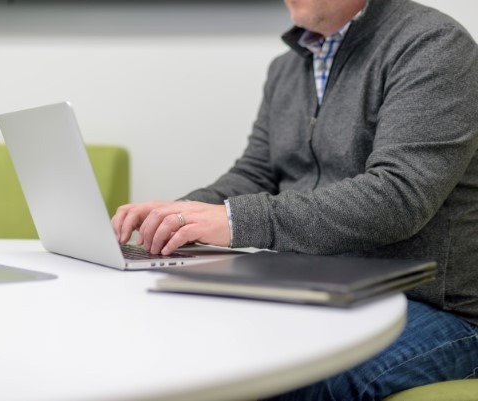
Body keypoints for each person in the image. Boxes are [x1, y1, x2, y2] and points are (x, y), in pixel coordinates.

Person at [111, 0, 478, 399]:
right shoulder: (286, 68)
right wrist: (175, 215)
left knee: (292, 380)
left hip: (439, 307)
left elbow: (399, 196)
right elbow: (254, 174)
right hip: (322, 287)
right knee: (189, 345)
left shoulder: (432, 44)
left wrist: (235, 221)